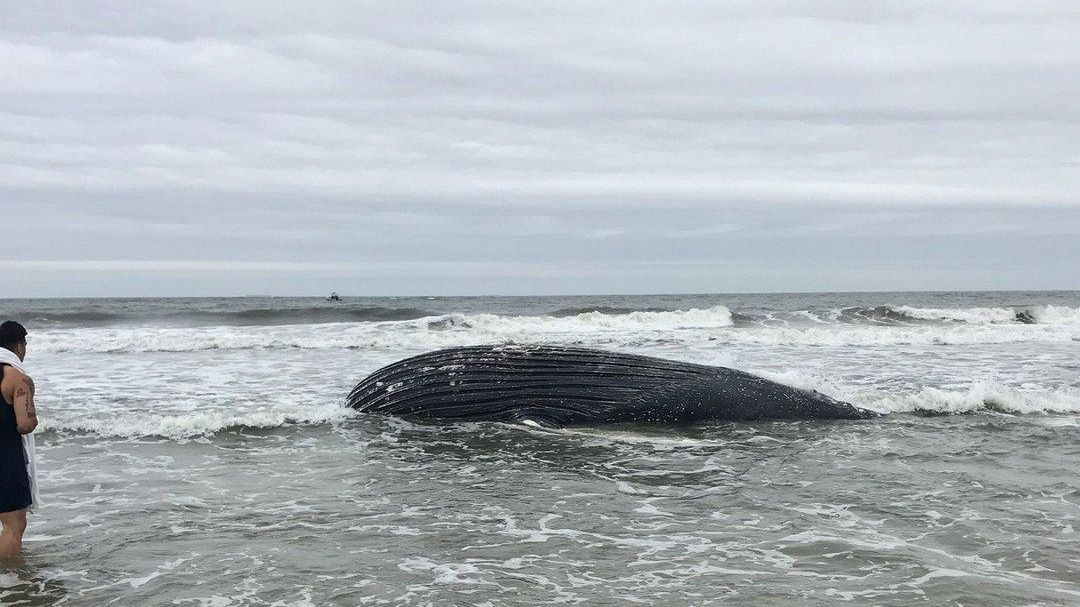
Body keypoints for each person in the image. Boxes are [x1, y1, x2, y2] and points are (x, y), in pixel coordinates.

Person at [0, 320, 37, 560]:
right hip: (5, 458)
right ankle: (10, 583)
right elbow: (24, 425)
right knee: (14, 525)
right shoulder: (17, 378)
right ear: (20, 346)